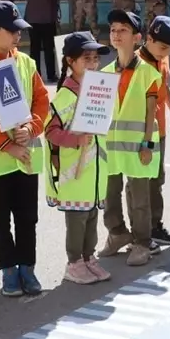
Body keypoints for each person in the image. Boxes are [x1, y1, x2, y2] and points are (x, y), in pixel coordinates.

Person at [0, 1, 50, 295]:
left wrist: (31, 128)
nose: (18, 35)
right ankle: (8, 270)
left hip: (27, 156)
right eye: (12, 30)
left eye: (19, 30)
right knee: (0, 218)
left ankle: (28, 267)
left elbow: (42, 100)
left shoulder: (25, 62)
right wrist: (7, 145)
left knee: (28, 217)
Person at [44, 31, 112, 285]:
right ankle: (74, 263)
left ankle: (88, 257)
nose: (93, 63)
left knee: (91, 217)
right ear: (70, 61)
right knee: (77, 220)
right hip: (75, 173)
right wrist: (75, 140)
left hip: (94, 171)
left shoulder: (97, 90)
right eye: (87, 58)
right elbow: (50, 131)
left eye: (95, 58)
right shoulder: (65, 96)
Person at [98, 9, 163, 267]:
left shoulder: (148, 72)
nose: (116, 34)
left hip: (138, 146)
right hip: (111, 147)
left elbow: (151, 112)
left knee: (139, 198)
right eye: (113, 30)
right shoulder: (104, 73)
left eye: (123, 30)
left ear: (137, 38)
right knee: (109, 193)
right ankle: (117, 233)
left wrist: (147, 144)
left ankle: (142, 242)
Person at [140, 15, 170, 245]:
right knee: (142, 182)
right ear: (149, 39)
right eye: (163, 48)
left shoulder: (162, 59)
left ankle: (155, 225)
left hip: (160, 129)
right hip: (141, 131)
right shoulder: (137, 63)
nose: (165, 53)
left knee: (157, 179)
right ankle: (142, 230)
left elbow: (163, 87)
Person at [18, 0, 67, 82]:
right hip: (48, 18)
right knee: (48, 48)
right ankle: (51, 75)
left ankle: (35, 75)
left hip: (32, 18)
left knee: (34, 48)